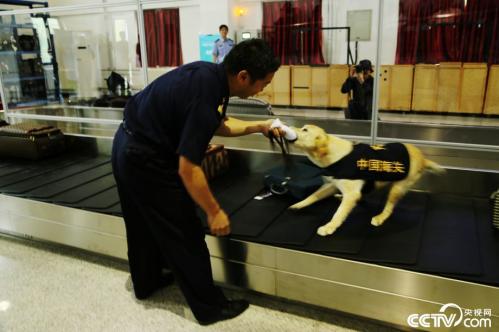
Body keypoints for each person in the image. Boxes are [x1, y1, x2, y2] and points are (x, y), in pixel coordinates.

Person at [111, 39, 281, 326]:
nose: (262, 89)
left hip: (125, 145)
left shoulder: (209, 75)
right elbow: (188, 168)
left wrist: (260, 126)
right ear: (243, 76)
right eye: (262, 83)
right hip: (146, 159)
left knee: (140, 224)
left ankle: (147, 281)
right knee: (184, 231)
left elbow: (219, 124)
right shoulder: (207, 92)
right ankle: (209, 308)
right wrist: (214, 211)